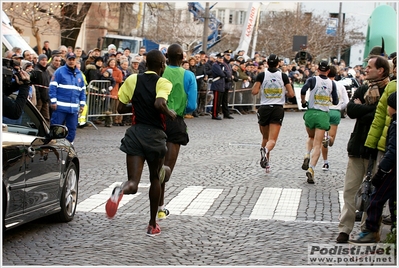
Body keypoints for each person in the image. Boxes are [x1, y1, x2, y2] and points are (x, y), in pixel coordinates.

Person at [105, 49, 176, 236]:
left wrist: (137, 103)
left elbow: (120, 108)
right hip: (154, 135)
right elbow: (159, 104)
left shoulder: (132, 79)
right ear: (162, 65)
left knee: (133, 182)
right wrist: (170, 114)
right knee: (156, 178)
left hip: (135, 133)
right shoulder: (163, 82)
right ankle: (152, 224)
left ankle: (120, 190)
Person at [336, 55, 391, 243]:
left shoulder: (389, 90)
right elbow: (351, 110)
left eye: (369, 67)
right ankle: (344, 229)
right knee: (350, 191)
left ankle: (366, 229)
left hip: (377, 148)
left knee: (373, 192)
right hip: (358, 146)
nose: (365, 70)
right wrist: (370, 109)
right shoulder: (363, 88)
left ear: (381, 70)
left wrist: (365, 110)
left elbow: (382, 115)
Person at [158, 43, 197, 220]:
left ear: (166, 57)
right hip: (175, 121)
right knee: (166, 169)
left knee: (156, 166)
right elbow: (192, 106)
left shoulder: (160, 71)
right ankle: (160, 206)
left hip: (156, 119)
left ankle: (158, 205)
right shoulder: (188, 75)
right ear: (183, 59)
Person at [352, 91, 396, 243]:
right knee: (394, 200)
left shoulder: (395, 124)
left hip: (392, 170)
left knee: (377, 198)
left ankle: (370, 230)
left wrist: (382, 171)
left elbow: (392, 150)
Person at [364, 56, 397, 226]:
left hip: (387, 149)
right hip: (385, 145)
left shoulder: (391, 86)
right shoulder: (369, 87)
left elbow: (378, 116)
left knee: (379, 194)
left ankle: (370, 230)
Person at [251, 54, 295, 173]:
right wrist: (282, 93)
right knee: (272, 140)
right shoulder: (283, 76)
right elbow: (291, 94)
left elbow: (254, 91)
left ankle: (267, 164)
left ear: (267, 63)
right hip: (277, 108)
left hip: (264, 108)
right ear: (278, 64)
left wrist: (263, 88)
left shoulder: (262, 75)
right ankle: (265, 152)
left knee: (265, 137)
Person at [300, 60, 338, 184]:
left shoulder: (312, 79)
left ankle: (306, 154)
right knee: (318, 144)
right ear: (328, 71)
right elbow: (336, 102)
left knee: (310, 136)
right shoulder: (332, 84)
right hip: (323, 114)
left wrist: (303, 101)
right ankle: (311, 169)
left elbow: (303, 90)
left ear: (317, 69)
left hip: (311, 113)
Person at [49, 52, 86, 143]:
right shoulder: (59, 71)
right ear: (66, 59)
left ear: (76, 60)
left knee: (72, 129)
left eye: (73, 59)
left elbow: (82, 90)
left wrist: (82, 103)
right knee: (56, 127)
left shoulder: (79, 74)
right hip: (60, 107)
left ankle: (69, 146)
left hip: (73, 109)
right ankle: (53, 145)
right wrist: (53, 101)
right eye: (69, 59)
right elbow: (52, 87)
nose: (71, 61)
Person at [321, 65, 350, 171]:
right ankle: (329, 138)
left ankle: (325, 162)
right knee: (331, 139)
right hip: (335, 112)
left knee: (323, 138)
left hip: (324, 111)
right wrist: (338, 108)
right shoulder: (340, 86)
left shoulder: (323, 84)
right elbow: (346, 102)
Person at [30, 53, 51, 124]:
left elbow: (46, 85)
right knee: (36, 115)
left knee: (46, 117)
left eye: (46, 60)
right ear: (39, 61)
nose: (44, 62)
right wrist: (39, 97)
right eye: (42, 60)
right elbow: (36, 85)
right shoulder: (36, 71)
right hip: (39, 98)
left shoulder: (46, 71)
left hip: (45, 98)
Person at [210, 52, 226, 120]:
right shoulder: (215, 65)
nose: (221, 59)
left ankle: (217, 113)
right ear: (217, 58)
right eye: (220, 58)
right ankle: (214, 114)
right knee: (216, 101)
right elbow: (222, 74)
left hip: (221, 85)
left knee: (219, 101)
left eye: (222, 58)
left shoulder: (221, 65)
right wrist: (224, 73)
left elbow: (226, 73)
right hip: (217, 84)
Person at [221, 49, 234, 119]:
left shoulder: (228, 64)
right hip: (223, 83)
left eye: (229, 55)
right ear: (224, 55)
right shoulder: (223, 63)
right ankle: (217, 113)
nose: (229, 56)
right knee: (221, 100)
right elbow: (223, 72)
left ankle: (226, 113)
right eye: (227, 55)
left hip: (227, 84)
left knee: (225, 100)